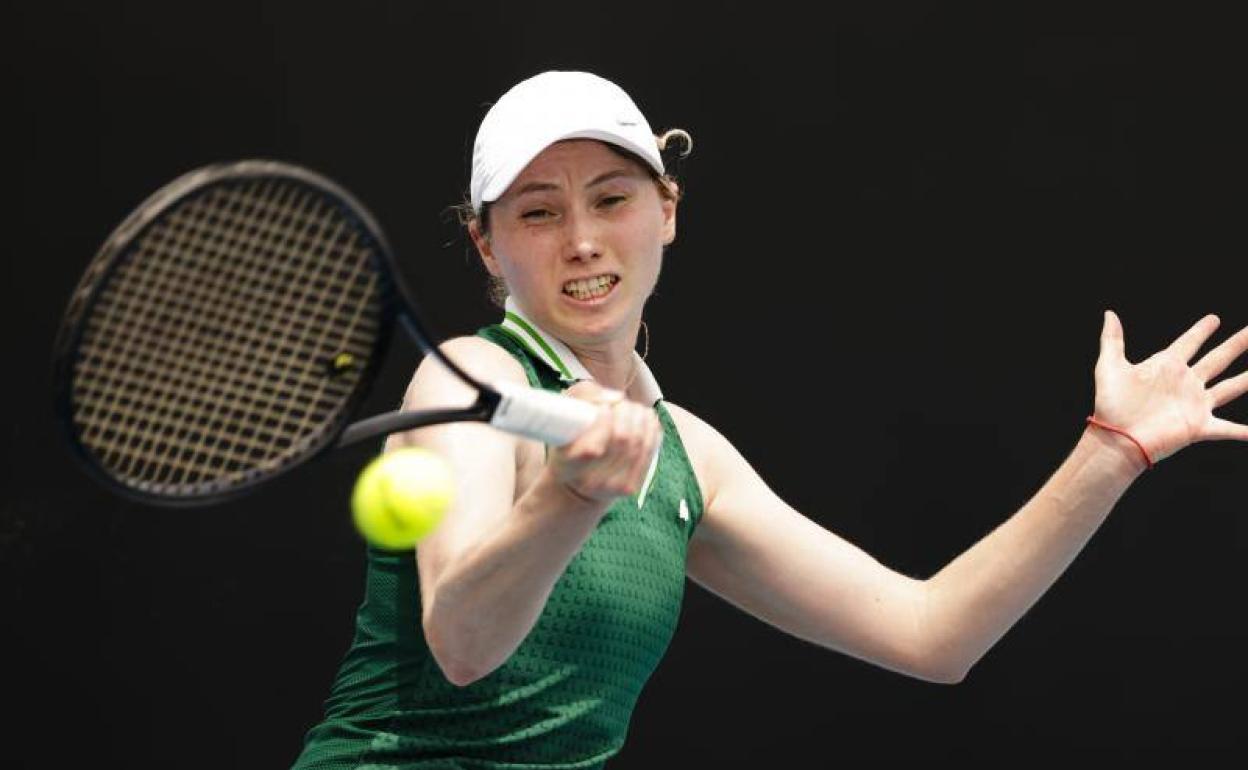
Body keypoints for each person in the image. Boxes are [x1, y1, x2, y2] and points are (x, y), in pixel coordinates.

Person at [292, 71, 1248, 769]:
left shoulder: (687, 457)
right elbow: (461, 645)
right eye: (538, 214)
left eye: (613, 198)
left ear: (666, 211)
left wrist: (1112, 452)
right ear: (487, 247)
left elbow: (932, 633)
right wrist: (570, 496)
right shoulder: (473, 376)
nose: (582, 239)